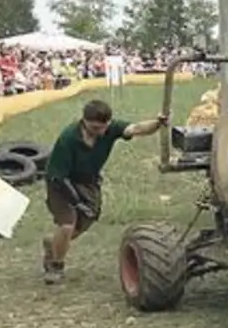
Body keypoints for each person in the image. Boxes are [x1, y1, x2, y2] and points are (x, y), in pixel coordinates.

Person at [42, 99, 167, 284]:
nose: (100, 132)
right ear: (84, 121)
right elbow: (58, 177)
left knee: (82, 223)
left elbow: (136, 128)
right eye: (94, 128)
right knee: (68, 224)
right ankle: (55, 266)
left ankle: (52, 243)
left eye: (103, 127)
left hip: (88, 182)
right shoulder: (68, 138)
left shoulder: (111, 128)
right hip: (60, 183)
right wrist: (77, 203)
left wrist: (157, 123)